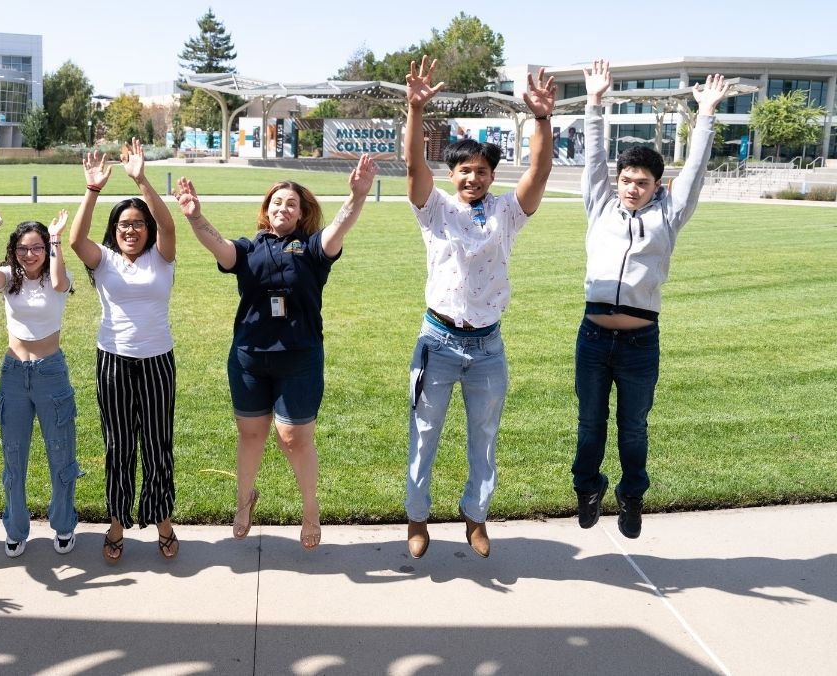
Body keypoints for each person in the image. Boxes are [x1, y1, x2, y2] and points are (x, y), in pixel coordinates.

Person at [176, 154, 378, 551]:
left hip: (299, 357)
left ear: (302, 213)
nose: (282, 207)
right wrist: (195, 216)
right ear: (266, 209)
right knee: (251, 434)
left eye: (291, 203)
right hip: (249, 358)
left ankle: (310, 508)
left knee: (293, 438)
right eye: (276, 202)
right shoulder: (249, 248)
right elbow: (219, 247)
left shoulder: (314, 248)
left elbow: (338, 227)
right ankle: (244, 500)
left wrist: (357, 197)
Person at [403, 57, 555, 560]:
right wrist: (415, 109)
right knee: (424, 435)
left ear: (492, 175)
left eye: (482, 171)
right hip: (438, 342)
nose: (473, 177)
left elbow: (539, 171)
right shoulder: (436, 209)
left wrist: (541, 118)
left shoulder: (507, 212)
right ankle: (417, 518)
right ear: (453, 174)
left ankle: (475, 517)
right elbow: (414, 167)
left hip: (487, 346)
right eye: (465, 170)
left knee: (484, 438)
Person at [572, 61, 728, 539]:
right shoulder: (601, 206)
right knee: (590, 424)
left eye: (642, 182)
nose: (632, 188)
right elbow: (593, 160)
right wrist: (594, 102)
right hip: (593, 338)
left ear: (656, 186)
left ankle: (632, 496)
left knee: (634, 427)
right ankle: (588, 487)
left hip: (640, 344)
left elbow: (695, 171)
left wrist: (706, 115)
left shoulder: (669, 216)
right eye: (626, 179)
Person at [68, 139, 179, 562]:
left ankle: (162, 518)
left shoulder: (161, 257)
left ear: (147, 229)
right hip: (113, 361)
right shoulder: (104, 260)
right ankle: (117, 521)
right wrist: (92, 190)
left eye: (137, 224)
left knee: (157, 443)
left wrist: (141, 180)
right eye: (123, 225)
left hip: (157, 361)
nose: (130, 230)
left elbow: (169, 225)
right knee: (118, 445)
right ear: (114, 230)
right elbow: (76, 240)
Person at [0, 205, 80, 558]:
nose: (30, 254)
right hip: (13, 373)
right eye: (23, 248)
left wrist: (56, 238)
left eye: (37, 247)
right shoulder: (10, 277)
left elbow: (59, 282)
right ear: (14, 250)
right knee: (14, 455)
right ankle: (16, 527)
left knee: (61, 451)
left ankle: (64, 524)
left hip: (50, 372)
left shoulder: (57, 277)